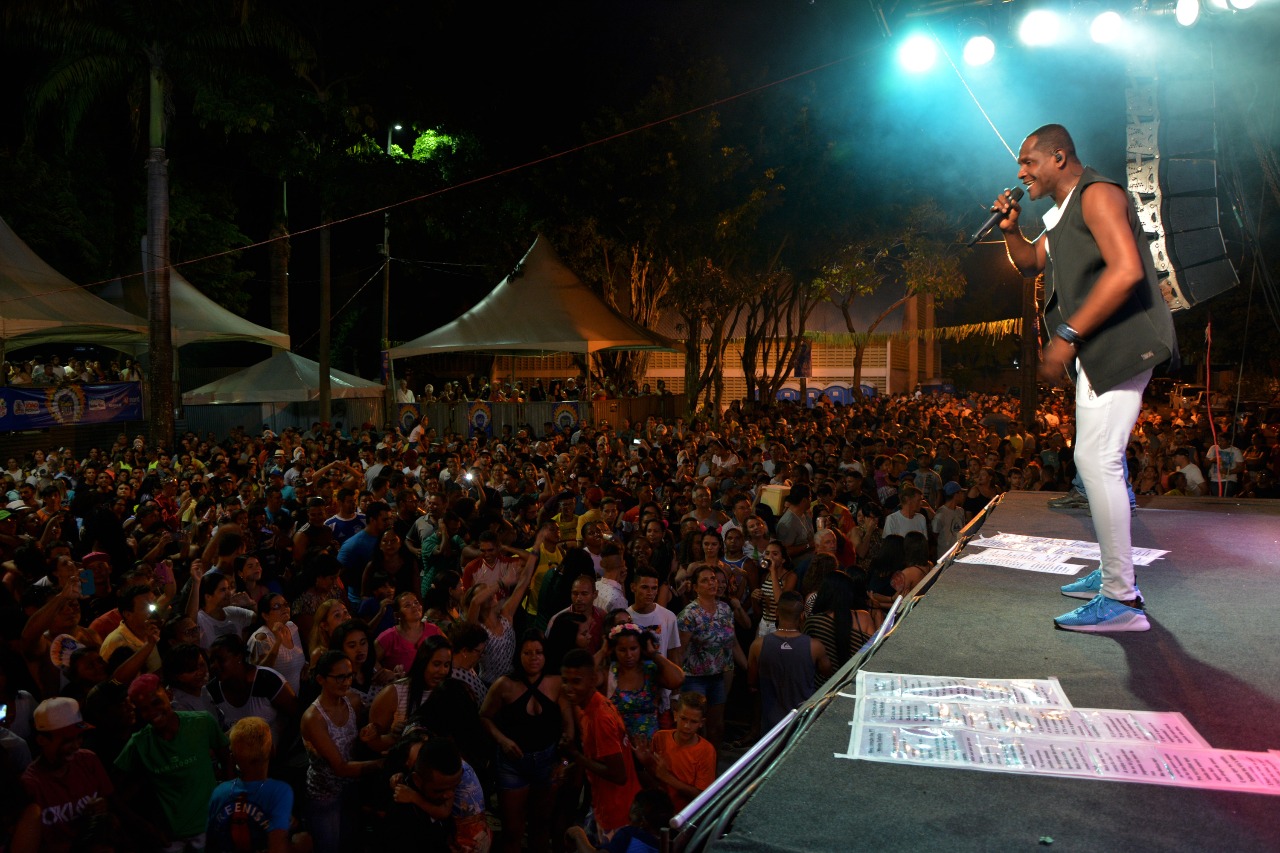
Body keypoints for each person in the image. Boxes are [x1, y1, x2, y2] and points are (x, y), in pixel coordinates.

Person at [994, 123, 1177, 632]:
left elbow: (1125, 271)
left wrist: (1068, 333)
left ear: (1058, 157)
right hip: (1098, 352)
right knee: (1092, 460)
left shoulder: (1098, 196)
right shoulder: (1064, 213)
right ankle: (1113, 575)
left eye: (1028, 162)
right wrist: (1012, 230)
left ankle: (1122, 599)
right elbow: (1031, 263)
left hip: (1121, 346)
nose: (1020, 172)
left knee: (1097, 460)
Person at [479, 630, 572, 853]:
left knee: (541, 826)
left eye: (539, 652)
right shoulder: (504, 684)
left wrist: (565, 761)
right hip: (512, 764)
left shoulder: (557, 682)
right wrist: (502, 740)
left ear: (546, 655)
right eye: (528, 652)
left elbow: (569, 726)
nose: (534, 657)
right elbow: (484, 716)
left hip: (547, 760)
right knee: (513, 829)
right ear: (518, 655)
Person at [116, 673, 229, 851]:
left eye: (156, 703)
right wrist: (149, 828)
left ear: (168, 695)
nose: (152, 713)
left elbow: (227, 762)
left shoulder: (202, 722)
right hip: (172, 840)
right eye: (144, 709)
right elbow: (115, 793)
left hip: (212, 827)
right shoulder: (139, 743)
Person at [300, 650, 383, 853]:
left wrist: (373, 731)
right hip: (324, 796)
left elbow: (366, 735)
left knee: (350, 842)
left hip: (351, 790)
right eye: (339, 677)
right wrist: (384, 764)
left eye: (349, 675)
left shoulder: (352, 702)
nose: (346, 682)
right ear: (321, 679)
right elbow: (340, 767)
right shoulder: (314, 719)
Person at [559, 648, 642, 845]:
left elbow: (618, 775)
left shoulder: (600, 717)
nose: (569, 688)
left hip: (617, 813)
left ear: (593, 679)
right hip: (605, 806)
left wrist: (576, 756)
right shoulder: (590, 707)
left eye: (576, 681)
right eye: (565, 680)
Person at [16, 697, 116, 853]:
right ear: (42, 740)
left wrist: (103, 806)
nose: (76, 745)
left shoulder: (88, 760)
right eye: (68, 740)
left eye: (79, 737)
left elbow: (111, 804)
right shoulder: (31, 785)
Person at [205, 716, 301, 853]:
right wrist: (298, 847)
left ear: (232, 757)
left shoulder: (219, 793)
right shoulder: (279, 792)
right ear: (272, 750)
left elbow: (211, 843)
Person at [747, 591, 830, 731]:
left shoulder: (758, 645)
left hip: (771, 722)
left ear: (777, 613)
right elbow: (827, 672)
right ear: (802, 616)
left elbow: (751, 681)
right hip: (802, 719)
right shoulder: (815, 646)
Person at [676, 565, 737, 754]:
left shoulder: (725, 609)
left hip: (718, 675)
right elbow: (680, 650)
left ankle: (713, 765)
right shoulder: (689, 614)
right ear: (695, 587)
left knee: (717, 725)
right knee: (696, 725)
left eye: (713, 579)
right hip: (694, 676)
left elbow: (731, 642)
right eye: (705, 580)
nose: (711, 583)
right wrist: (675, 686)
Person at [636, 692, 716, 813]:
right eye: (683, 719)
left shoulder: (707, 751)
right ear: (675, 715)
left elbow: (702, 797)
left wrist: (668, 778)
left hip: (686, 815)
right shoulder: (660, 737)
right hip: (660, 810)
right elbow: (655, 776)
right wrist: (646, 762)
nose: (686, 726)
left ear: (701, 723)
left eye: (693, 721)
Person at [603, 622, 684, 740]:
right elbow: (585, 679)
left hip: (649, 743)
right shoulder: (609, 672)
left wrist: (653, 654)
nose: (628, 655)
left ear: (641, 647)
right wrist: (602, 652)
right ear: (614, 650)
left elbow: (678, 679)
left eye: (633, 648)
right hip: (617, 742)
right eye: (622, 650)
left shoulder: (650, 669)